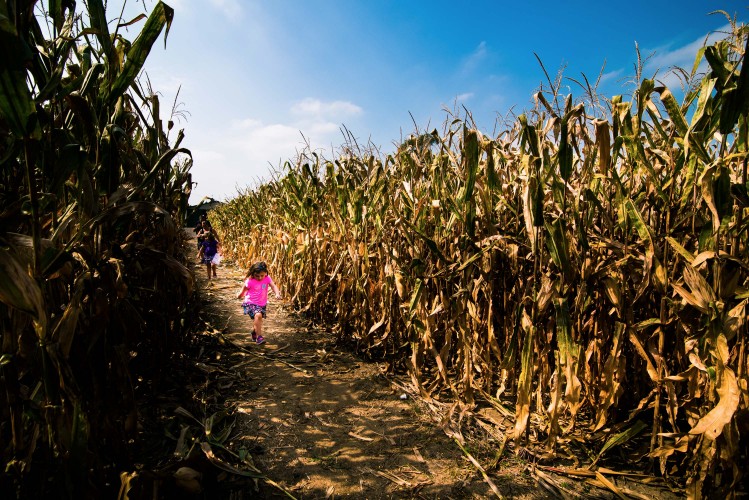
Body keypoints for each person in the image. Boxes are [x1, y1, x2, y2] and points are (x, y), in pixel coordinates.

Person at [236, 262, 281, 344]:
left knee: (258, 319)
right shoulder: (250, 281)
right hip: (250, 302)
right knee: (258, 315)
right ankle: (259, 337)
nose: (260, 278)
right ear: (253, 274)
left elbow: (273, 286)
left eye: (262, 275)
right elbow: (244, 289)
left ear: (265, 274)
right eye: (257, 276)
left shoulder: (267, 278)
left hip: (262, 303)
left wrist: (277, 294)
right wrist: (240, 295)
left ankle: (254, 332)